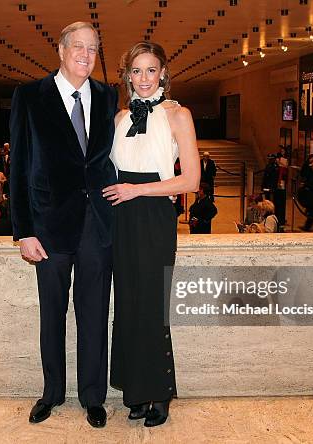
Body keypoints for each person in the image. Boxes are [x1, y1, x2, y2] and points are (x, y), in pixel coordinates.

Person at [10, 21, 118, 428]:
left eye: (93, 49)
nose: (86, 56)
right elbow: (18, 166)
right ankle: (51, 393)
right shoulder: (29, 97)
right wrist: (23, 230)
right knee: (51, 315)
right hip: (48, 226)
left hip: (97, 225)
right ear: (61, 50)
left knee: (94, 313)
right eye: (79, 47)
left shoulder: (108, 96)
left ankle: (93, 397)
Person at [103, 41, 199, 427]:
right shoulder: (118, 119)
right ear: (127, 76)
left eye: (151, 70)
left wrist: (136, 190)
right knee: (126, 303)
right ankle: (135, 391)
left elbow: (190, 180)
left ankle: (159, 392)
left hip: (154, 213)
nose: (144, 79)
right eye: (137, 71)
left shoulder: (179, 114)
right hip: (120, 217)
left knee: (151, 305)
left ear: (163, 74)